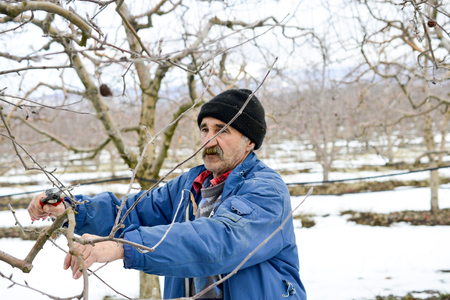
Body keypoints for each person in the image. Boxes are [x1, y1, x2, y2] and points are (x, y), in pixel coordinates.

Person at [28, 89, 307, 300]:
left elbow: (221, 239)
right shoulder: (190, 185)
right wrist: (69, 208)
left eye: (223, 130)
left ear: (249, 142)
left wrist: (124, 247)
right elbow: (133, 211)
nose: (209, 140)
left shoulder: (265, 189)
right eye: (205, 129)